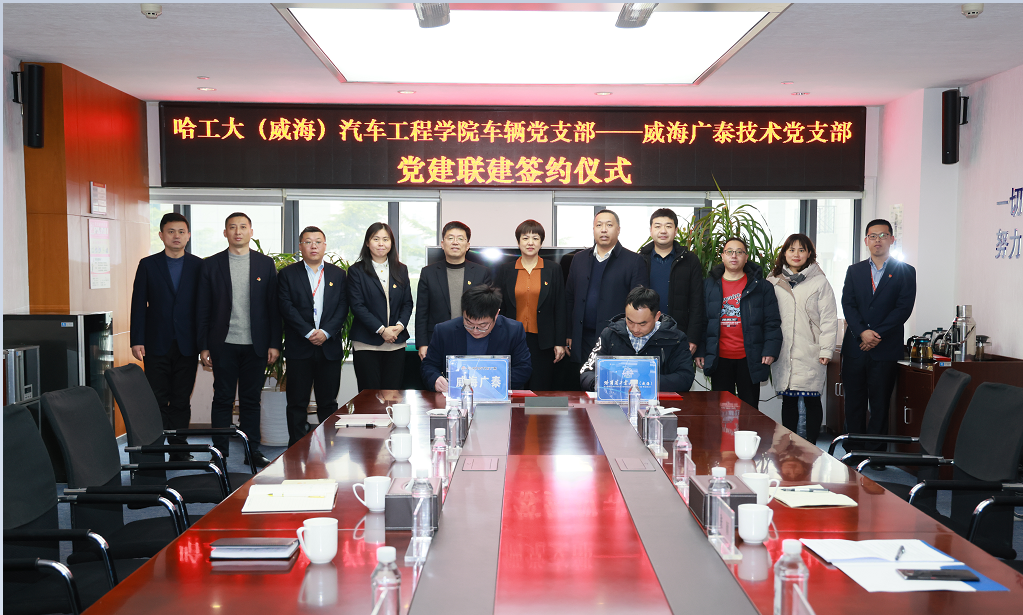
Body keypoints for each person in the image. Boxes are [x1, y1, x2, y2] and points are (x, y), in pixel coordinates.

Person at [196, 212, 281, 468]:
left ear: (251, 232)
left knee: (251, 400)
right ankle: (219, 452)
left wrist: (274, 343)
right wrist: (203, 345)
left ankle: (251, 450)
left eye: (243, 227)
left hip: (256, 344)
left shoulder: (265, 264)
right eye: (232, 227)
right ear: (225, 233)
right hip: (223, 344)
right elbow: (203, 308)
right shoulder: (211, 264)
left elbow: (273, 307)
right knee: (222, 399)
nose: (238, 232)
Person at [129, 213, 203, 461]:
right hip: (155, 342)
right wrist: (136, 339)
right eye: (171, 231)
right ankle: (156, 448)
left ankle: (179, 449)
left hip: (188, 343)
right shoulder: (148, 265)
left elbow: (204, 307)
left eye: (181, 232)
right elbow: (138, 304)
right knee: (157, 398)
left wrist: (204, 343)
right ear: (161, 235)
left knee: (181, 398)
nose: (176, 236)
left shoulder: (198, 266)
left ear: (188, 236)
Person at [840, 219, 917, 444]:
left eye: (883, 236)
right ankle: (853, 451)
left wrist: (875, 334)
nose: (878, 240)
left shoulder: (905, 271)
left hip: (885, 349)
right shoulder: (854, 271)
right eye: (873, 236)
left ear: (892, 239)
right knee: (853, 403)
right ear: (866, 241)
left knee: (880, 405)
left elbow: (903, 309)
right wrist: (862, 332)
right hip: (855, 348)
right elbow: (848, 304)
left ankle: (875, 454)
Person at [277, 226, 349, 446]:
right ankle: (296, 448)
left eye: (318, 242)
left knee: (328, 403)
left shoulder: (338, 274)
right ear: (300, 247)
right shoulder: (288, 274)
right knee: (296, 403)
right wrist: (308, 332)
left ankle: (329, 448)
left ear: (325, 246)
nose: (313, 246)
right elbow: (286, 307)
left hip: (329, 347)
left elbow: (343, 306)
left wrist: (326, 332)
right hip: (300, 347)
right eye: (308, 242)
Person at [766, 234, 839, 445]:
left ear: (809, 254)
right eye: (791, 250)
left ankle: (812, 447)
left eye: (801, 250)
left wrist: (826, 350)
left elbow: (828, 319)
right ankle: (788, 447)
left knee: (812, 399)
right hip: (783, 350)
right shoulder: (773, 281)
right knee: (788, 400)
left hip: (811, 350)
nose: (796, 254)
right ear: (784, 253)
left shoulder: (820, 281)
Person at [696, 237, 782, 410]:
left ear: (746, 257)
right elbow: (702, 321)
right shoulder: (709, 285)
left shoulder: (761, 286)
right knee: (721, 410)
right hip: (719, 358)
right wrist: (701, 350)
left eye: (739, 252)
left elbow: (772, 322)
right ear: (722, 256)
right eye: (729, 252)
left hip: (750, 357)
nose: (734, 255)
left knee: (749, 411)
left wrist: (770, 350)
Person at [565, 209, 649, 369]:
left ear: (618, 230)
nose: (603, 229)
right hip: (582, 338)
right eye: (599, 225)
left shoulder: (633, 261)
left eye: (609, 225)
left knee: (612, 381)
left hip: (616, 339)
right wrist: (569, 333)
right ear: (593, 229)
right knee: (583, 381)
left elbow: (640, 304)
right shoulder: (579, 259)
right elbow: (569, 298)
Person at [494, 220, 567, 391]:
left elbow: (560, 307)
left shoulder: (553, 269)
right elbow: (499, 306)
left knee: (539, 388)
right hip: (512, 338)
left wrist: (560, 342)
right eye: (525, 238)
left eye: (535, 238)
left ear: (541, 243)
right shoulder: (505, 270)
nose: (530, 242)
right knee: (513, 387)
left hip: (543, 341)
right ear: (518, 242)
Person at [579, 286, 695, 393]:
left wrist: (644, 383)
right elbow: (587, 372)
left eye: (642, 324)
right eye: (630, 321)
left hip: (659, 404)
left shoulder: (675, 339)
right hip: (615, 401)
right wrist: (601, 384)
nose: (635, 329)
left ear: (657, 316)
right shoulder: (610, 334)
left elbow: (685, 378)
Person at [421, 284, 532, 392]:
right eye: (468, 323)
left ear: (496, 314)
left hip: (498, 397)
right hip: (456, 399)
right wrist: (435, 379)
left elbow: (523, 369)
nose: (475, 330)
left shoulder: (513, 331)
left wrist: (488, 386)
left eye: (482, 325)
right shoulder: (444, 331)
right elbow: (428, 365)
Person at [347, 222, 414, 391]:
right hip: (366, 343)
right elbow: (357, 305)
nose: (381, 243)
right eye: (376, 239)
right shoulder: (356, 271)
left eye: (385, 239)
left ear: (391, 243)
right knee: (369, 395)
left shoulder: (401, 270)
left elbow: (407, 303)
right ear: (367, 243)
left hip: (396, 342)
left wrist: (399, 327)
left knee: (393, 394)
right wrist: (382, 330)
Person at [415, 221, 492, 361]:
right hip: (437, 339)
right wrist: (422, 343)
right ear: (442, 244)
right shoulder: (428, 272)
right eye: (450, 238)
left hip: (473, 338)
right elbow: (422, 311)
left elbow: (488, 311)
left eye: (460, 239)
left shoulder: (482, 273)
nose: (455, 242)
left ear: (467, 245)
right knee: (437, 375)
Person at [638, 208, 705, 357]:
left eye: (668, 226)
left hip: (679, 334)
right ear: (651, 230)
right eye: (658, 226)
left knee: (677, 372)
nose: (663, 231)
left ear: (675, 231)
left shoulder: (690, 260)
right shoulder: (640, 259)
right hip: (644, 335)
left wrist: (693, 337)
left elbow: (697, 302)